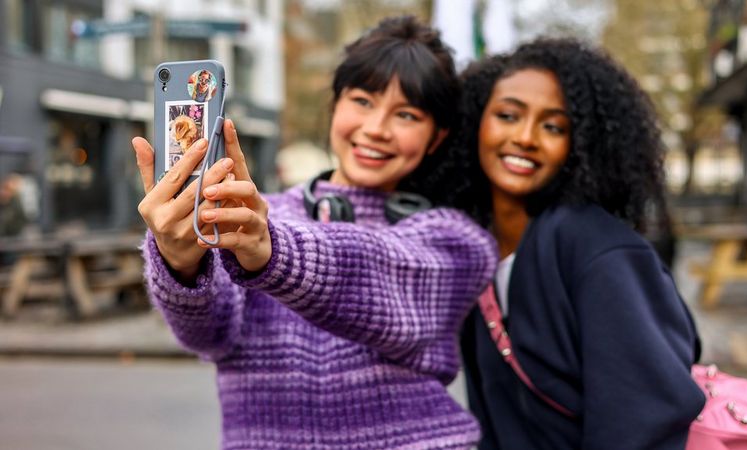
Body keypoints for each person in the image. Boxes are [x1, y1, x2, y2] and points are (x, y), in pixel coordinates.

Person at [132, 16, 496, 450]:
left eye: (406, 114)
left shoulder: (456, 241)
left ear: (436, 138)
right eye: (362, 101)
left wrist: (272, 252)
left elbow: (380, 273)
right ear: (335, 105)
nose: (377, 128)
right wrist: (180, 262)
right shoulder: (246, 219)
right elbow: (210, 335)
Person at [455, 38, 705, 449]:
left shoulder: (596, 249)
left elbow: (644, 421)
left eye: (553, 126)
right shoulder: (476, 247)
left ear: (581, 145)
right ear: (475, 122)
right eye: (507, 115)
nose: (525, 137)